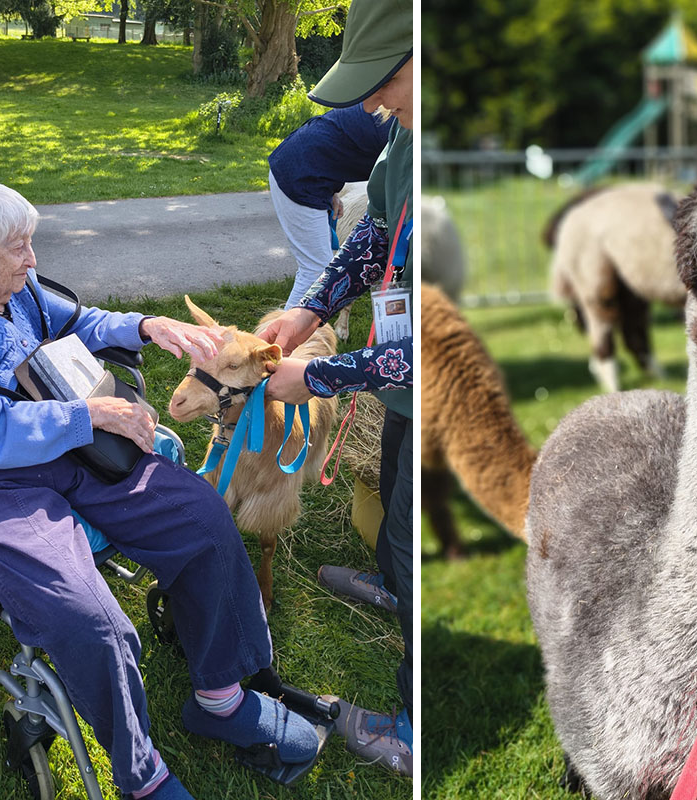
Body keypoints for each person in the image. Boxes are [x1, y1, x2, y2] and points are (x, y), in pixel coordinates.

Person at [0, 180, 319, 800]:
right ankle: (142, 776)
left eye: (31, 243)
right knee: (90, 618)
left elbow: (79, 321)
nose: (32, 259)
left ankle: (219, 697)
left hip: (63, 446)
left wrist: (146, 325)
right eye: (18, 247)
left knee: (203, 519)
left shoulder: (16, 288)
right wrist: (91, 416)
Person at [260, 0, 414, 777]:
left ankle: (412, 730)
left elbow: (432, 347)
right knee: (391, 484)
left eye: (384, 80)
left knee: (418, 528)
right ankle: (392, 584)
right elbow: (376, 233)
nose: (372, 101)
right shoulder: (405, 135)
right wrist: (312, 307)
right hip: (404, 393)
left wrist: (315, 375)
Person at [268, 103, 393, 309]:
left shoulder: (398, 110)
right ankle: (283, 330)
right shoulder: (399, 119)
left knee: (316, 268)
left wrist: (331, 188)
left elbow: (337, 135)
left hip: (306, 167)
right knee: (316, 270)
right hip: (299, 175)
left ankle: (290, 327)